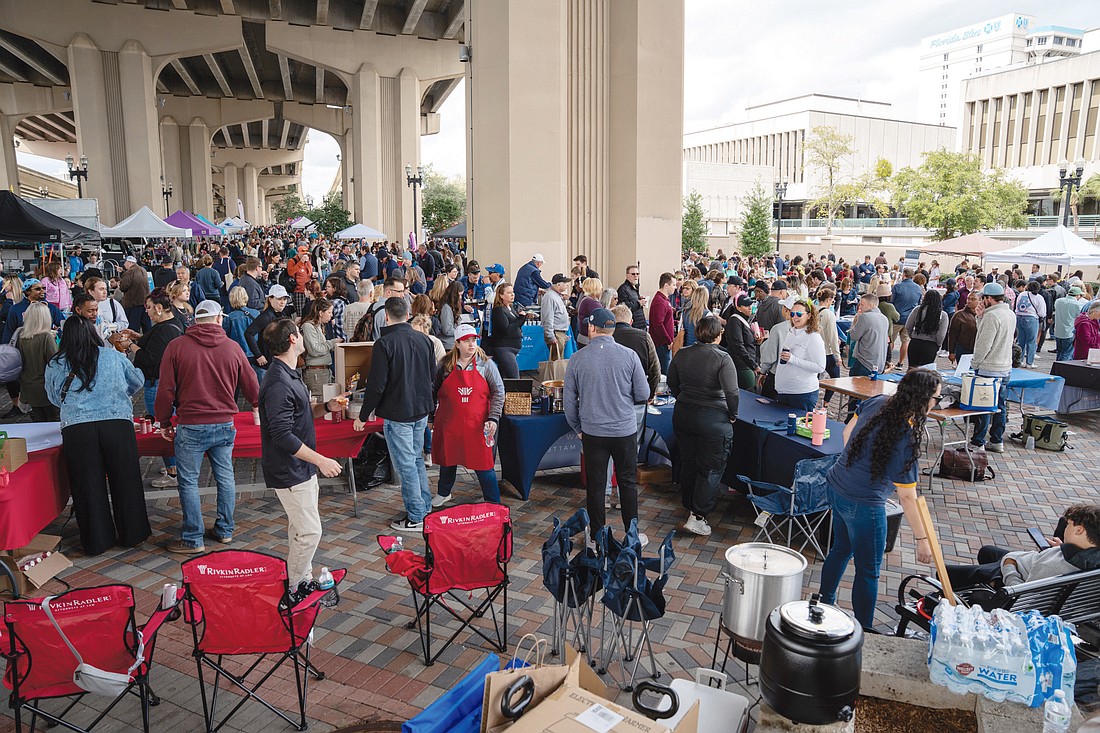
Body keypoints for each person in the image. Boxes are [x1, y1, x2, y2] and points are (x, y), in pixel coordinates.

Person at [819, 369, 939, 631]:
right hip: (863, 504)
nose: (936, 405)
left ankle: (824, 603)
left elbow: (847, 433)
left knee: (841, 549)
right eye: (936, 399)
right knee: (868, 571)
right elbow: (907, 496)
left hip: (837, 485)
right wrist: (922, 541)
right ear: (922, 399)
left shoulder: (879, 401)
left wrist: (860, 463)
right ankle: (865, 631)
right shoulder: (905, 435)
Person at [155, 300, 260, 553]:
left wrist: (164, 420)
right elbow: (252, 386)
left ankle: (193, 538)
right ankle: (225, 530)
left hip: (191, 424)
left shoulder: (176, 346)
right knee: (225, 477)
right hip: (224, 423)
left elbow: (166, 389)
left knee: (189, 482)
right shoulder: (232, 347)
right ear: (219, 319)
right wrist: (258, 404)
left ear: (195, 320)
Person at [45, 316, 150, 556]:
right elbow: (136, 382)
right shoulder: (112, 356)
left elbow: (53, 397)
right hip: (116, 422)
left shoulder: (56, 363)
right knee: (127, 480)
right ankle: (133, 534)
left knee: (87, 485)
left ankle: (97, 540)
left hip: (78, 427)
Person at [258, 318, 346, 597]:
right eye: (299, 333)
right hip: (290, 469)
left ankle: (303, 577)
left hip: (299, 468)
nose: (303, 335)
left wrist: (327, 407)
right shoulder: (278, 382)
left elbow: (300, 412)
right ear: (293, 340)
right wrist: (321, 460)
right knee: (310, 532)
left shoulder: (287, 373)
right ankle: (294, 587)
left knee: (300, 528)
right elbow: (282, 435)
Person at [564, 308, 650, 541]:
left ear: (591, 328)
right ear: (612, 329)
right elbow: (643, 393)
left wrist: (578, 428)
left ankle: (597, 536)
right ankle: (632, 534)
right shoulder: (629, 355)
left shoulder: (577, 359)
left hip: (593, 432)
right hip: (624, 430)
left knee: (596, 484)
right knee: (628, 482)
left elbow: (568, 402)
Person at [355, 297, 436, 532]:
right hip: (420, 409)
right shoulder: (424, 340)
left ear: (387, 316)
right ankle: (424, 507)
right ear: (408, 314)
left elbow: (376, 385)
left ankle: (417, 514)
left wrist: (362, 415)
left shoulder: (384, 343)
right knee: (416, 459)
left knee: (407, 465)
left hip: (399, 412)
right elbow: (431, 376)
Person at [668, 315, 738, 537]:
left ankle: (691, 506)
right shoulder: (722, 358)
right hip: (713, 419)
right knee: (711, 467)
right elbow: (732, 392)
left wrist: (685, 398)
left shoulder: (683, 354)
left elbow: (673, 384)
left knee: (689, 462)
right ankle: (697, 516)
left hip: (684, 414)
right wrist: (733, 414)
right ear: (718, 335)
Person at [429, 324, 504, 507]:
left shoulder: (486, 364)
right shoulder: (445, 365)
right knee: (448, 460)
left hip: (478, 425)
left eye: (474, 340)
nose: (471, 345)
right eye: (466, 341)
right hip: (449, 423)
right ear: (457, 343)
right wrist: (431, 418)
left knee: (484, 465)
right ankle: (444, 492)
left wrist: (493, 418)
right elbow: (432, 391)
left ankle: (493, 501)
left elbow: (498, 392)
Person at [943, 504, 1100, 590]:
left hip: (1012, 574)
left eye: (1069, 525)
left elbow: (1020, 595)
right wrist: (1063, 548)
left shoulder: (1055, 566)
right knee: (987, 552)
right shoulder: (1090, 558)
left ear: (1079, 530)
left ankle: (993, 582)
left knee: (945, 574)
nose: (1065, 528)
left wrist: (1009, 567)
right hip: (1028, 565)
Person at [118, 288, 185, 488]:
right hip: (167, 383)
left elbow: (149, 358)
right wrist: (139, 337)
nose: (145, 311)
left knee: (163, 427)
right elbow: (156, 343)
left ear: (158, 308)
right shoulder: (172, 323)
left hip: (156, 384)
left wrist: (129, 344)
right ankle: (174, 467)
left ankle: (173, 472)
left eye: (148, 308)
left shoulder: (164, 329)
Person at [970, 283, 1015, 453]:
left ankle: (978, 441)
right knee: (1000, 406)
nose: (981, 301)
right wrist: (979, 317)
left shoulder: (992, 317)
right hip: (1005, 366)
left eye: (983, 298)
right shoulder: (1009, 313)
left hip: (989, 367)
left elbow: (983, 343)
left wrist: (975, 363)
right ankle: (997, 440)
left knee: (984, 406)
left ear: (989, 298)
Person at [774, 298, 826, 412]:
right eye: (792, 313)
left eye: (799, 314)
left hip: (802, 393)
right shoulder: (791, 331)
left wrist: (793, 359)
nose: (795, 317)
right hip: (784, 391)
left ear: (809, 316)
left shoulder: (813, 337)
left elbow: (820, 367)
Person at [15, 302, 59, 422]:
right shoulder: (46, 337)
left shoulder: (21, 337)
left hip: (28, 385)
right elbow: (55, 362)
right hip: (45, 388)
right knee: (53, 420)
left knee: (38, 420)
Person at [244, 283, 291, 379]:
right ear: (270, 299)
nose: (282, 302)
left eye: (284, 299)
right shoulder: (266, 316)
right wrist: (258, 355)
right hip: (266, 367)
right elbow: (249, 333)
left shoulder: (280, 314)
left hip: (276, 365)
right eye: (279, 299)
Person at [300, 298, 340, 400]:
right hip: (316, 374)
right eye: (329, 312)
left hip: (323, 371)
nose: (331, 315)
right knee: (318, 402)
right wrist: (332, 343)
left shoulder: (319, 326)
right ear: (321, 313)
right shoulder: (308, 327)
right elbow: (315, 350)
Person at [3, 278, 63, 343]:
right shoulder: (16, 309)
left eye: (43, 288)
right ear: (27, 291)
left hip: (46, 346)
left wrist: (56, 334)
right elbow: (9, 332)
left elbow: (63, 325)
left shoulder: (52, 308)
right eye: (38, 289)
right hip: (24, 347)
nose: (42, 291)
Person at [721, 293, 761, 389]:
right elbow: (738, 346)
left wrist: (756, 342)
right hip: (742, 366)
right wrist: (754, 365)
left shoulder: (744, 320)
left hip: (747, 364)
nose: (750, 307)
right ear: (738, 307)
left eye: (751, 304)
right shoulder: (735, 321)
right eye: (746, 305)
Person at [488, 283, 526, 379]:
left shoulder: (511, 308)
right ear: (501, 295)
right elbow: (506, 329)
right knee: (514, 378)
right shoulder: (499, 310)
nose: (512, 294)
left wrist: (522, 319)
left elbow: (516, 326)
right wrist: (520, 319)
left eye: (512, 292)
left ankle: (503, 393)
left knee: (504, 377)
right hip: (504, 348)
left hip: (513, 347)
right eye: (509, 293)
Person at [904, 289, 948, 369]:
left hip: (915, 342)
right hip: (930, 345)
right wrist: (938, 344)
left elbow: (908, 326)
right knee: (925, 371)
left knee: (911, 368)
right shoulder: (943, 315)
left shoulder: (917, 310)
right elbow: (941, 335)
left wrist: (912, 336)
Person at [848, 293, 889, 378]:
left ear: (870, 305)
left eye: (862, 304)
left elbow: (853, 336)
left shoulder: (864, 317)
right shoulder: (884, 318)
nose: (860, 307)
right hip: (879, 362)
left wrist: (856, 320)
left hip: (864, 361)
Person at [890, 268, 923, 369]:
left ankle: (888, 361)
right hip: (910, 319)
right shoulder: (918, 288)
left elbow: (891, 302)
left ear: (904, 275)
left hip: (897, 318)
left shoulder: (897, 287)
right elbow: (918, 304)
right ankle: (900, 363)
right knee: (905, 341)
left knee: (890, 340)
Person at [1014, 280, 1046, 368]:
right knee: (1031, 342)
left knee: (1021, 341)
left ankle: (1019, 361)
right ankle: (1029, 362)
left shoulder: (1022, 294)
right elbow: (1042, 313)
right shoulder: (1039, 297)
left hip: (1019, 317)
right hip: (1031, 319)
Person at [649, 272, 676, 374]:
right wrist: (668, 340)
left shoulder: (663, 300)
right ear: (666, 285)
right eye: (673, 285)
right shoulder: (660, 302)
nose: (675, 287)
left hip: (663, 343)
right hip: (662, 344)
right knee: (664, 372)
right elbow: (658, 324)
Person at [223, 286, 258, 358]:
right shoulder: (256, 313)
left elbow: (225, 338)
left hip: (238, 354)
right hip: (256, 354)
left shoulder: (228, 318)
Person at [541, 274, 571, 356]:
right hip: (556, 333)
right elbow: (548, 317)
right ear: (558, 284)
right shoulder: (550, 297)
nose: (567, 285)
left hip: (560, 332)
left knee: (558, 359)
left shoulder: (556, 296)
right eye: (565, 283)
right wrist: (551, 336)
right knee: (556, 361)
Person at [118, 255, 151, 332]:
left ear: (129, 263)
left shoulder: (130, 272)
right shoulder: (143, 270)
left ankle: (132, 344)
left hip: (133, 303)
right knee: (146, 326)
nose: (124, 265)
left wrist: (119, 283)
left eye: (125, 262)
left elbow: (123, 287)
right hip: (144, 302)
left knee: (132, 328)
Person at [946, 292, 979, 364]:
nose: (969, 301)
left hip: (979, 350)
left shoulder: (984, 315)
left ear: (980, 301)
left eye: (973, 299)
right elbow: (952, 335)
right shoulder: (959, 315)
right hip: (963, 349)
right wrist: (951, 352)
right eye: (968, 299)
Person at [1054, 286, 1085, 361]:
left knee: (1060, 352)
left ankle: (1057, 368)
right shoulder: (1078, 305)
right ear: (1077, 295)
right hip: (1069, 332)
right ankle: (1062, 370)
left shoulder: (1058, 301)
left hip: (1058, 331)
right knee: (1067, 353)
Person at [434, 280, 463, 352]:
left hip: (451, 343)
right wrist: (460, 331)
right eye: (459, 295)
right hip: (448, 344)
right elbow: (447, 330)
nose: (460, 298)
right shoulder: (446, 308)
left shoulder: (450, 307)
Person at [574, 277, 603, 347]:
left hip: (583, 336)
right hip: (588, 338)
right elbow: (602, 318)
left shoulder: (585, 300)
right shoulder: (592, 303)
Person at [287, 245, 314, 316]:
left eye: (306, 254)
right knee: (300, 313)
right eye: (303, 253)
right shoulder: (292, 261)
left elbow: (309, 273)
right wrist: (301, 262)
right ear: (298, 253)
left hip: (307, 290)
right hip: (298, 290)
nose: (305, 255)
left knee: (308, 312)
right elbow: (290, 272)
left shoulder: (307, 262)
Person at [617, 265, 647, 329]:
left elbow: (632, 301)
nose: (635, 276)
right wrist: (639, 303)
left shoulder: (634, 288)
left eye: (637, 274)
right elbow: (623, 307)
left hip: (640, 324)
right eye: (633, 274)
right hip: (632, 325)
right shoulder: (623, 289)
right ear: (627, 275)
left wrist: (639, 299)